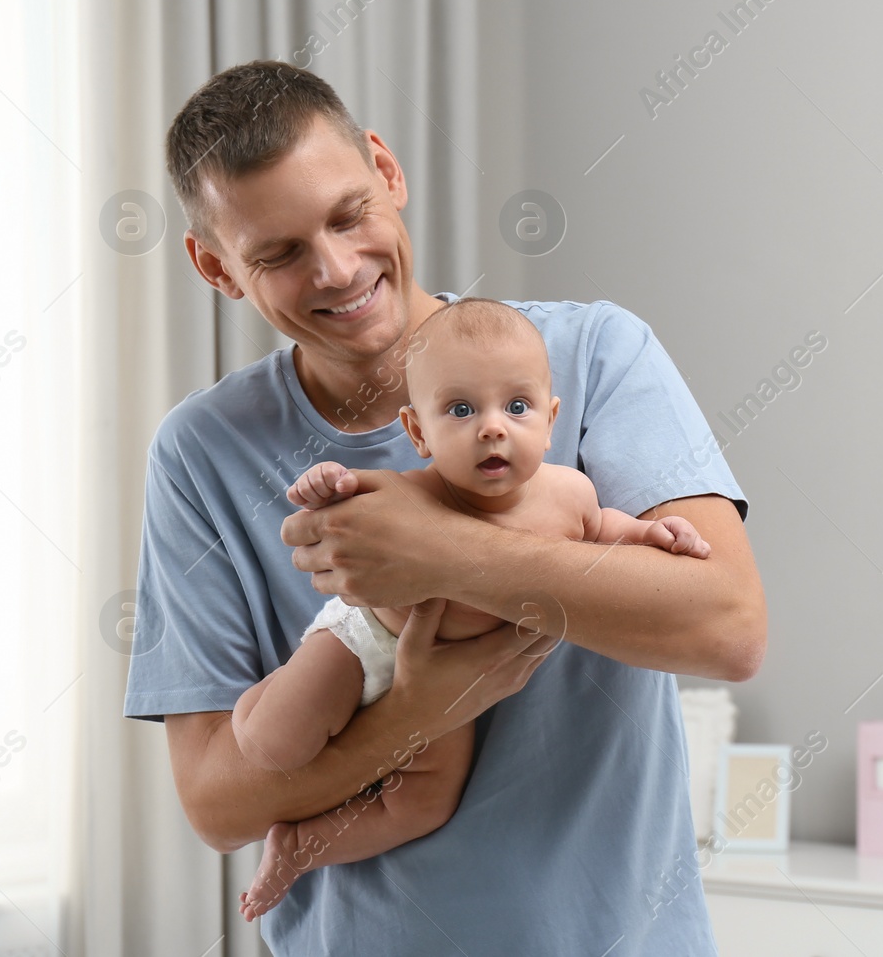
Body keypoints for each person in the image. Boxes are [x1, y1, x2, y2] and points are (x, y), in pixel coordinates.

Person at [123, 60, 765, 956]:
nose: (338, 269)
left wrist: (440, 552)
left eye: (349, 215)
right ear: (216, 268)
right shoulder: (202, 452)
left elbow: (728, 627)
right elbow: (218, 801)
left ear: (387, 171)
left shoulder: (589, 356)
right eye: (279, 252)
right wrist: (418, 711)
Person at [233, 296, 713, 920]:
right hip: (365, 643)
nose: (493, 427)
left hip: (458, 686)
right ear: (417, 432)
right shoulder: (411, 493)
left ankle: (299, 848)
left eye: (517, 407)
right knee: (275, 747)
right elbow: (352, 509)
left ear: (550, 419)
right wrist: (328, 485)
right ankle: (251, 705)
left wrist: (656, 536)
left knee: (424, 804)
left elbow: (607, 531)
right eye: (461, 409)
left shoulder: (571, 494)